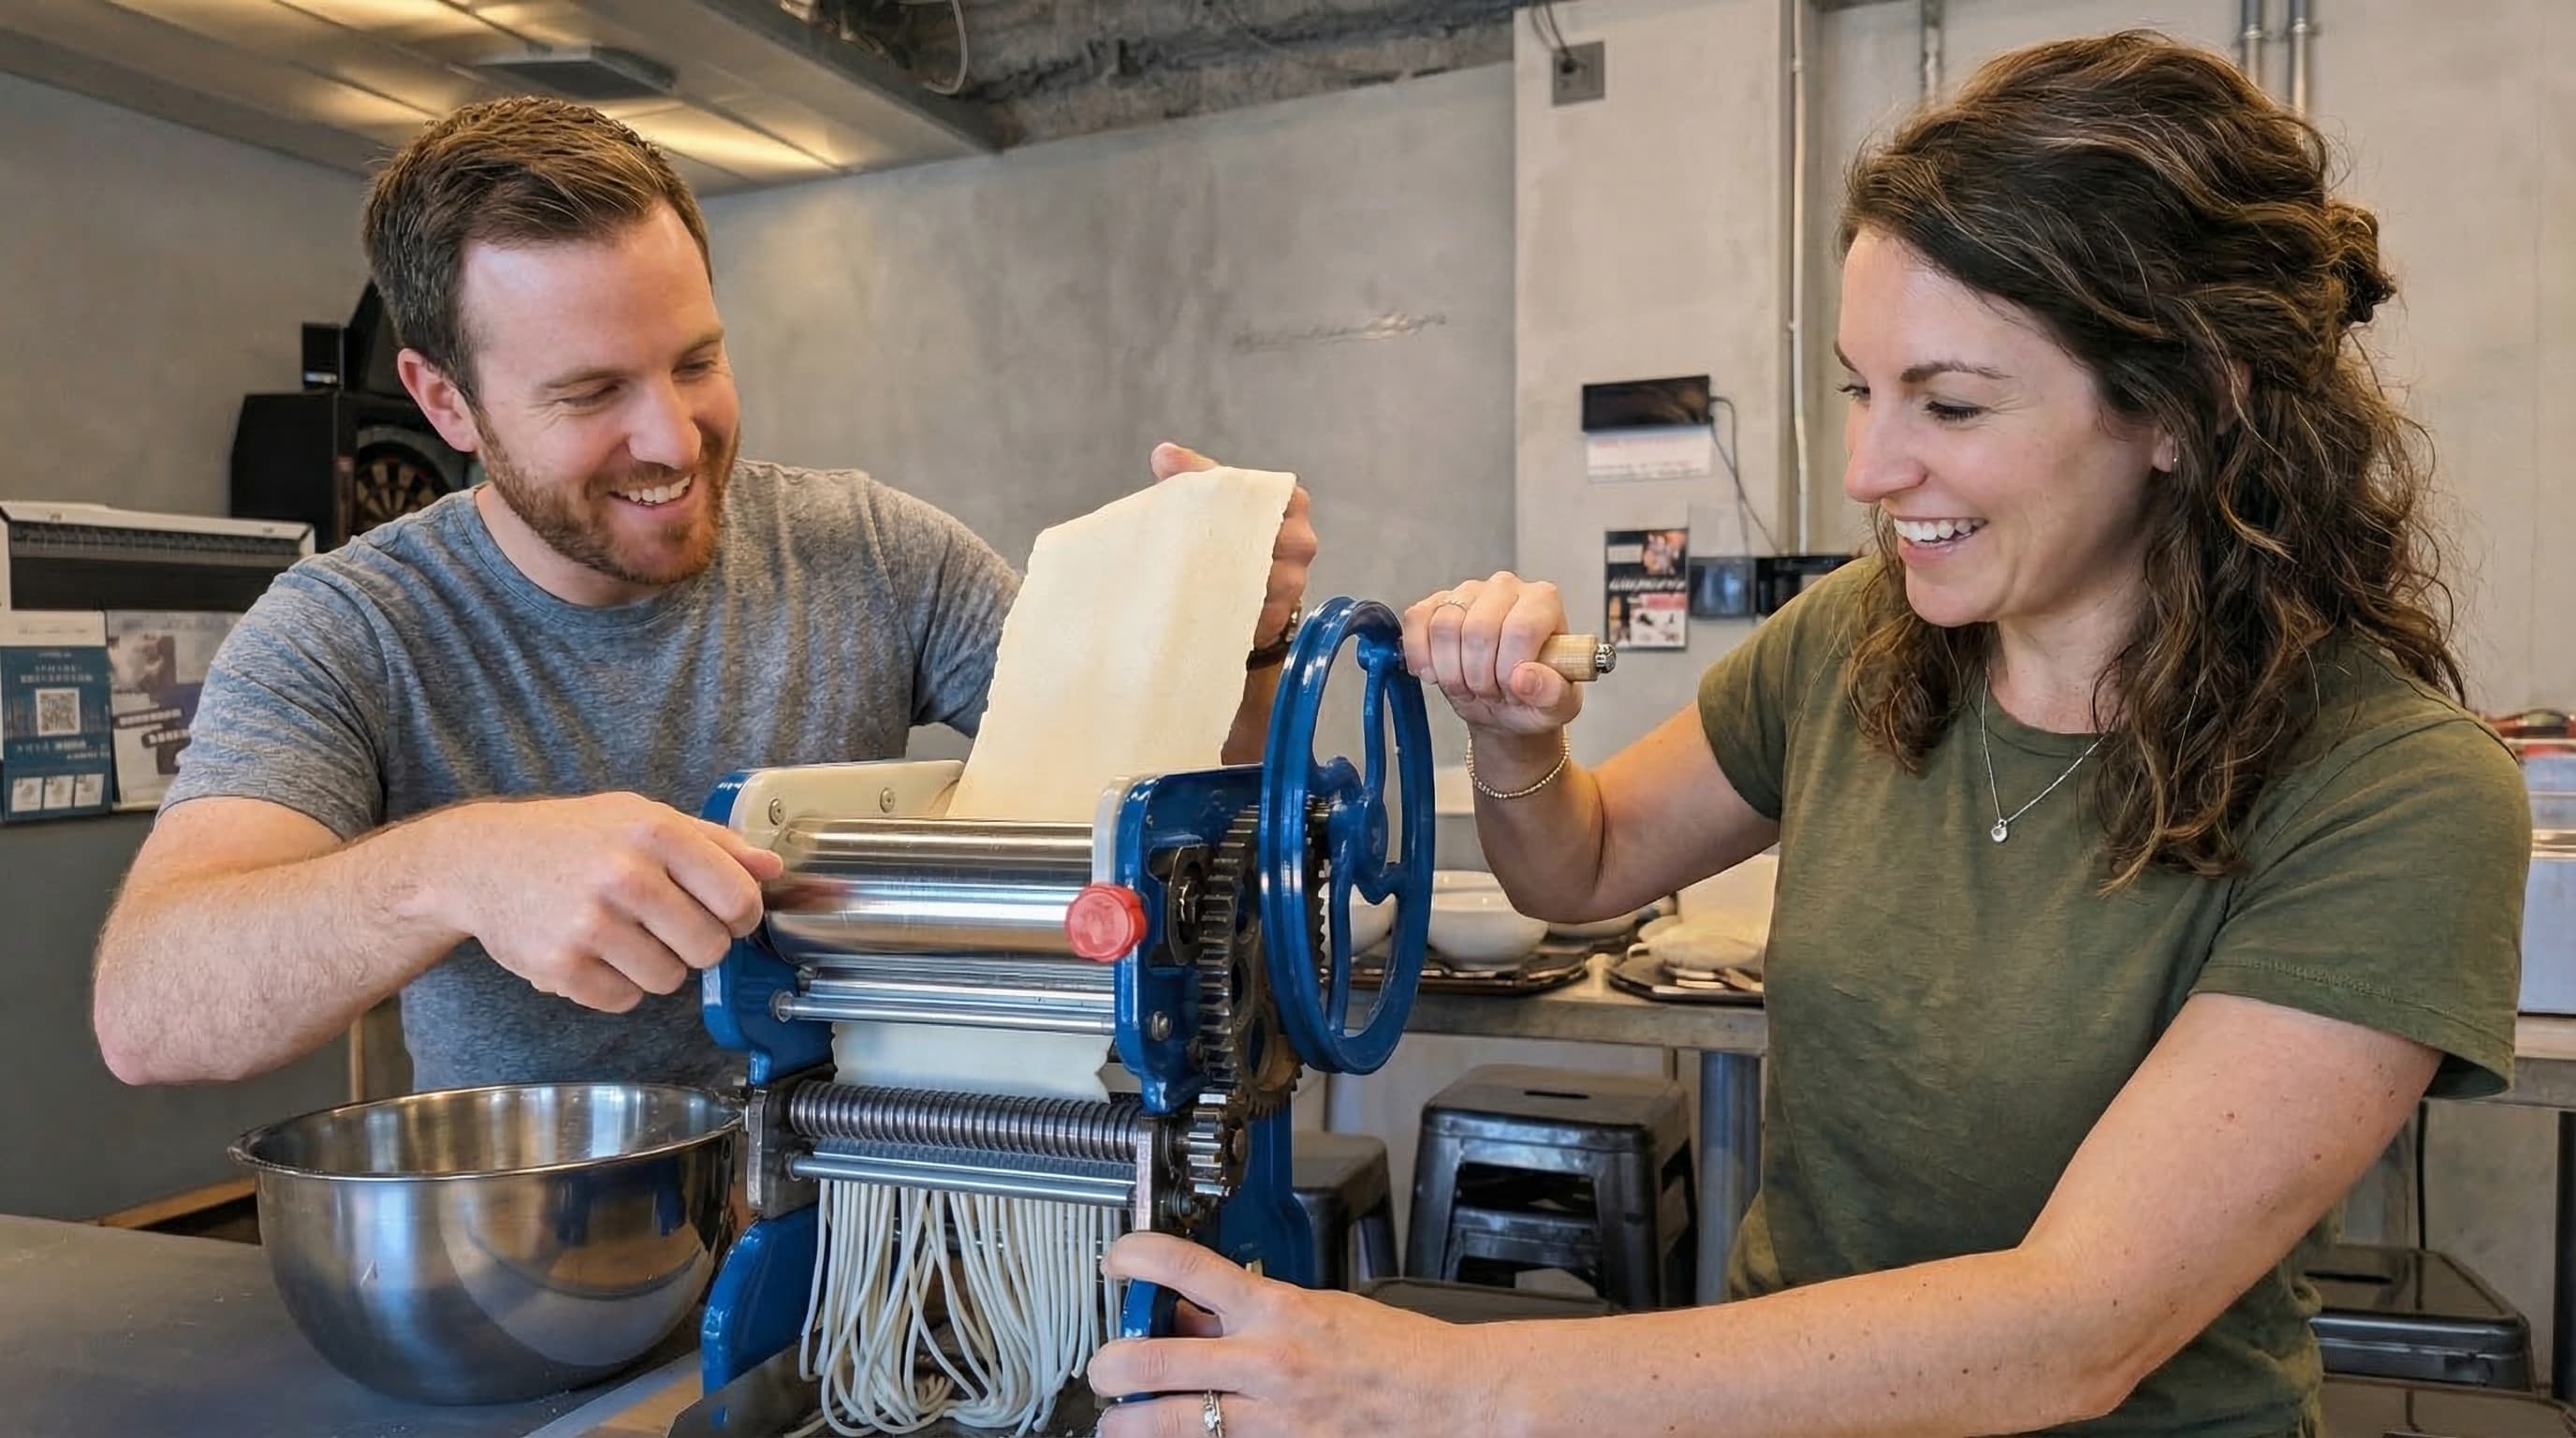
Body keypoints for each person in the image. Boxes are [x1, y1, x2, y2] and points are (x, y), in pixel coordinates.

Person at [1088, 32, 2527, 1437]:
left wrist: (1437, 1386)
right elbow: (1578, 871)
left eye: (1950, 404)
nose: (1870, 468)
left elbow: (2075, 1331)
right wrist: (1515, 744)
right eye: (1859, 387)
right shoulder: (1864, 636)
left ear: (2185, 408)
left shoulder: (2395, 794)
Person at [89, 97, 1315, 1093]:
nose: (672, 440)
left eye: (697, 363)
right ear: (444, 400)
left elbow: (1170, 805)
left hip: (879, 1225)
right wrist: (456, 866)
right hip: (557, 1270)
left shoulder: (869, 553)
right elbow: (150, 1014)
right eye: (590, 394)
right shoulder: (352, 630)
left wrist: (1231, 641)